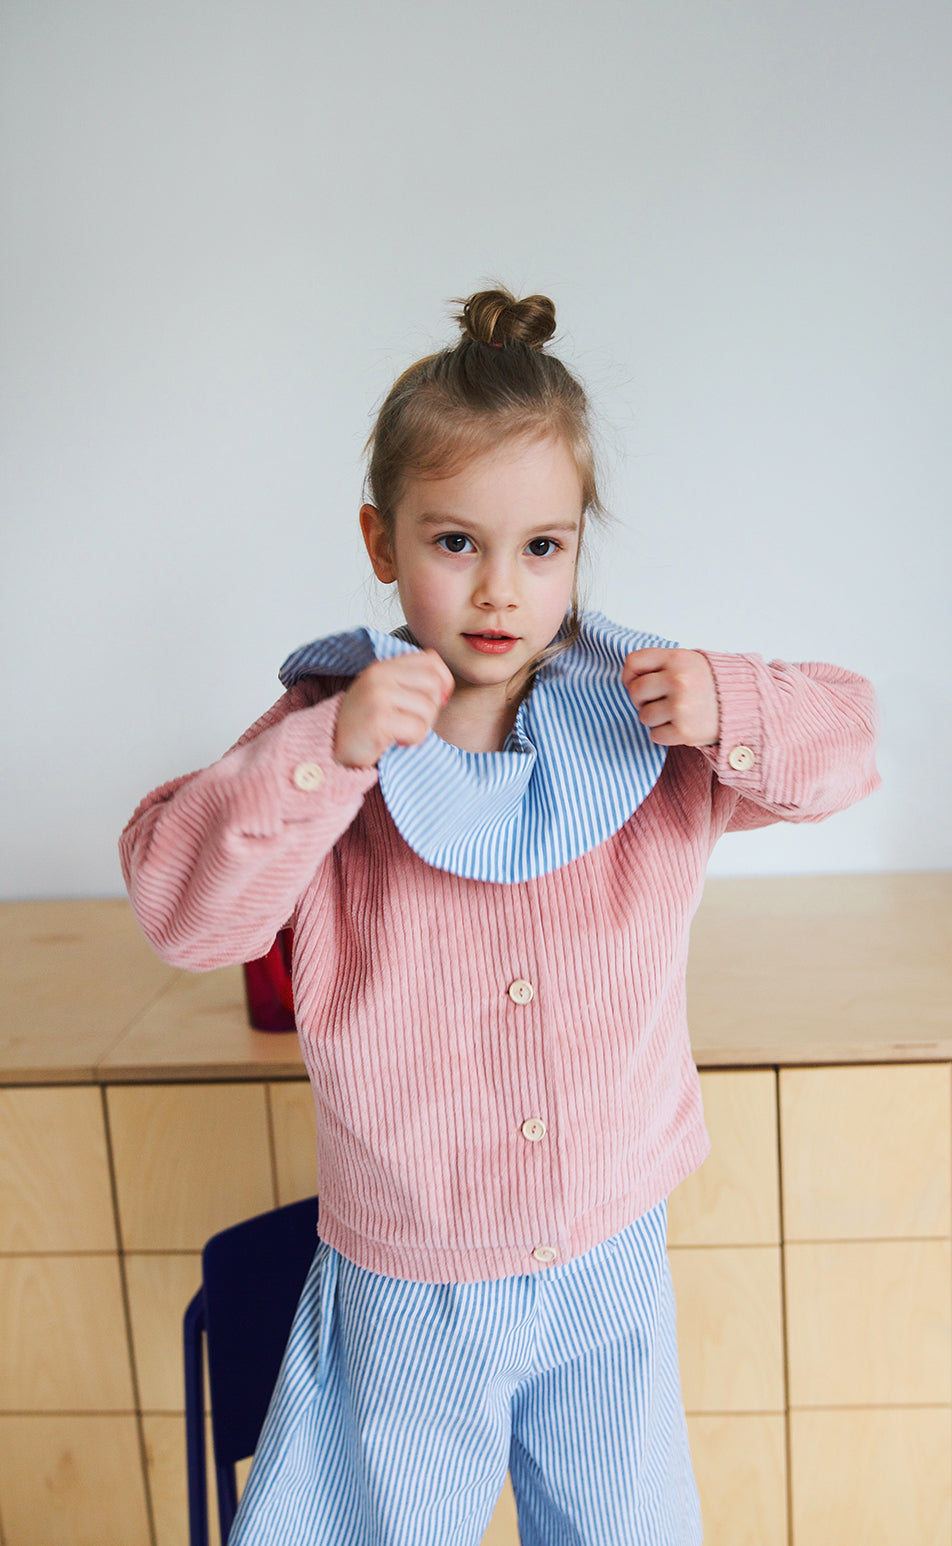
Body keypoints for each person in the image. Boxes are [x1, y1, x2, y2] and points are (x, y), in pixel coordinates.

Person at [120, 286, 881, 1546]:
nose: (498, 588)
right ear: (382, 540)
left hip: (609, 1258)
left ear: (578, 547)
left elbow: (849, 746)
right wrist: (327, 754)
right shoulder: (330, 723)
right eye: (454, 541)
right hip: (412, 1278)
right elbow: (179, 911)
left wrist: (729, 700)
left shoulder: (645, 719)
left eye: (540, 547)